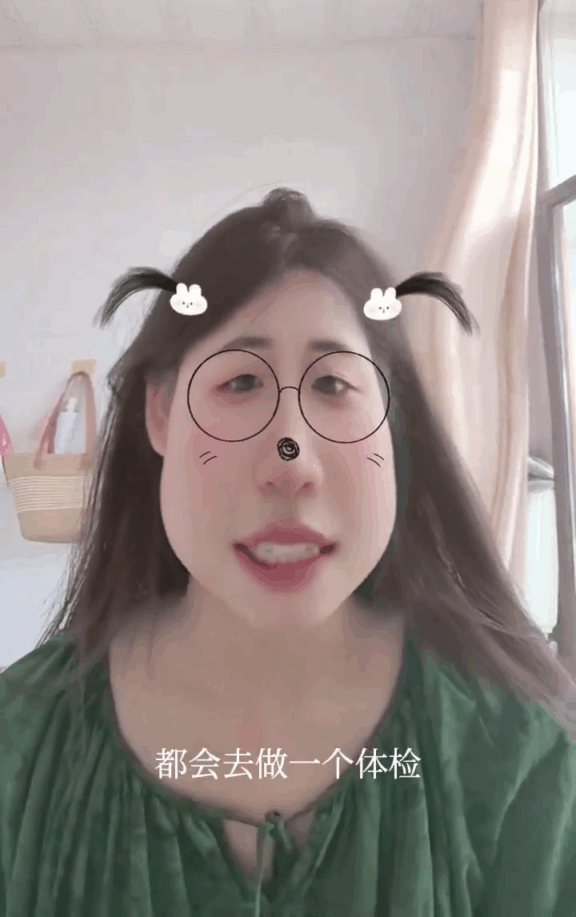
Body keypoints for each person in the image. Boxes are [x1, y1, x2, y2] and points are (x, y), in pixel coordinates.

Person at [1, 187, 575, 917]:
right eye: (241, 382)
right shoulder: (23, 745)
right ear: (161, 411)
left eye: (334, 385)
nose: (291, 462)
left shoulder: (521, 757)